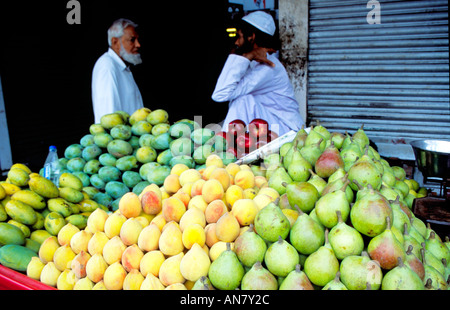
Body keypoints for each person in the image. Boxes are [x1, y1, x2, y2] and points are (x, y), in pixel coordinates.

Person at [212, 11, 304, 137]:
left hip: (286, 129)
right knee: (241, 100)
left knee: (242, 101)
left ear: (251, 37)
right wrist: (247, 56)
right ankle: (230, 145)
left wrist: (248, 55)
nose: (236, 43)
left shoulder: (269, 67)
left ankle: (225, 148)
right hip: (271, 124)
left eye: (239, 37)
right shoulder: (253, 63)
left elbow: (221, 94)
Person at [91, 18, 144, 123]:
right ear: (115, 42)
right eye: (132, 40)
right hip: (119, 138)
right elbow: (109, 118)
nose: (138, 45)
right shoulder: (107, 66)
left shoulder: (122, 67)